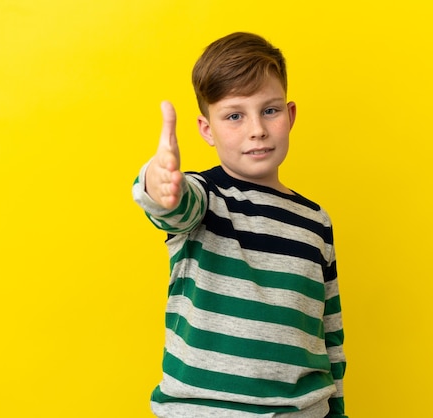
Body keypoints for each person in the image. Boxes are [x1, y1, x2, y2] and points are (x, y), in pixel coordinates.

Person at [132, 32, 347, 418]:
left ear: (290, 114)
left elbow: (329, 333)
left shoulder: (316, 221)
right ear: (207, 130)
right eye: (234, 115)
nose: (257, 130)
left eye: (270, 110)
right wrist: (157, 181)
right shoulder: (204, 197)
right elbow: (171, 207)